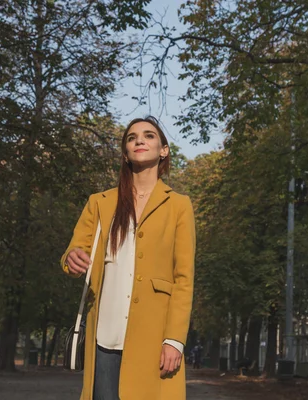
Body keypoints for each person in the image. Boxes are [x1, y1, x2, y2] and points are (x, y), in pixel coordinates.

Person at [61, 116, 196, 400]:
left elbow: (184, 279)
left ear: (163, 150)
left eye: (148, 136)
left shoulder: (179, 206)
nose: (139, 141)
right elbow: (75, 250)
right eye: (132, 137)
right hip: (104, 335)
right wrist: (73, 257)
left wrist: (174, 339)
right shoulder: (99, 202)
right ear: (125, 153)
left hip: (155, 337)